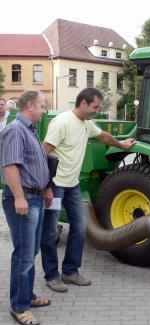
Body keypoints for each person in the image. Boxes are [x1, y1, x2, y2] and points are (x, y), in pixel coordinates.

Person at [40, 87, 135, 292]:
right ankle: (51, 275)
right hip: (55, 185)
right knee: (49, 232)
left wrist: (122, 145)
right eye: (95, 107)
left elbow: (104, 137)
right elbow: (43, 154)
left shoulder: (87, 123)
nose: (97, 111)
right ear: (83, 103)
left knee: (80, 227)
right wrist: (45, 186)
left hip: (72, 185)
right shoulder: (62, 123)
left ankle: (70, 271)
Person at [1, 90, 52, 325]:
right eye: (42, 106)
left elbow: (38, 163)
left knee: (30, 253)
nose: (45, 110)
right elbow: (10, 167)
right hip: (23, 200)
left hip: (36, 198)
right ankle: (19, 306)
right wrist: (19, 198)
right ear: (30, 106)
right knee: (23, 255)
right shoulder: (15, 130)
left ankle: (28, 296)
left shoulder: (30, 130)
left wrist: (47, 188)